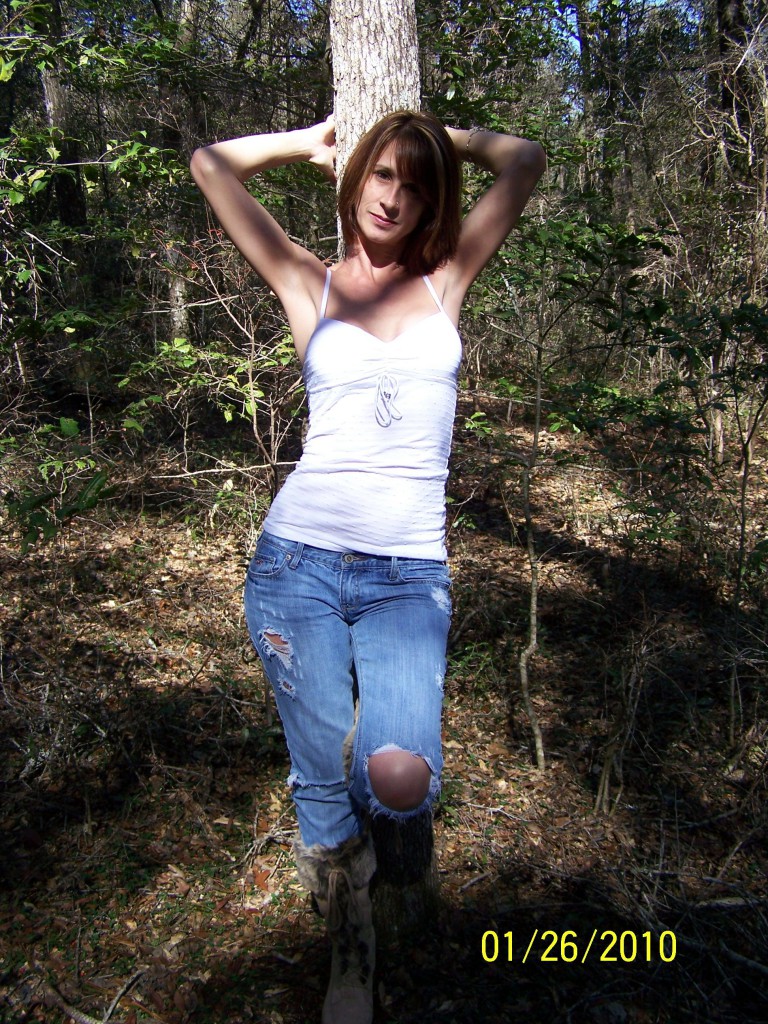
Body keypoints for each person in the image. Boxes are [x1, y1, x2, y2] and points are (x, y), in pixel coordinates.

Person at [190, 110, 545, 1023]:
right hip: (295, 568)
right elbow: (209, 165)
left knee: (399, 779)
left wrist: (441, 139)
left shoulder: (445, 278)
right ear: (354, 181)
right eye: (383, 174)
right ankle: (351, 934)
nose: (394, 197)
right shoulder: (306, 281)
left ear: (434, 204)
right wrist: (309, 141)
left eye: (416, 186)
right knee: (319, 776)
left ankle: (365, 852)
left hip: (406, 579)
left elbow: (525, 160)